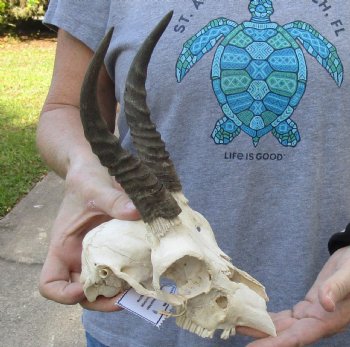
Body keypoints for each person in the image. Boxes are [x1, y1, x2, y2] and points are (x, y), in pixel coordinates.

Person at [37, 0, 350, 346]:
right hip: (141, 319)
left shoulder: (217, 31)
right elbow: (65, 107)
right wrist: (84, 171)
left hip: (328, 309)